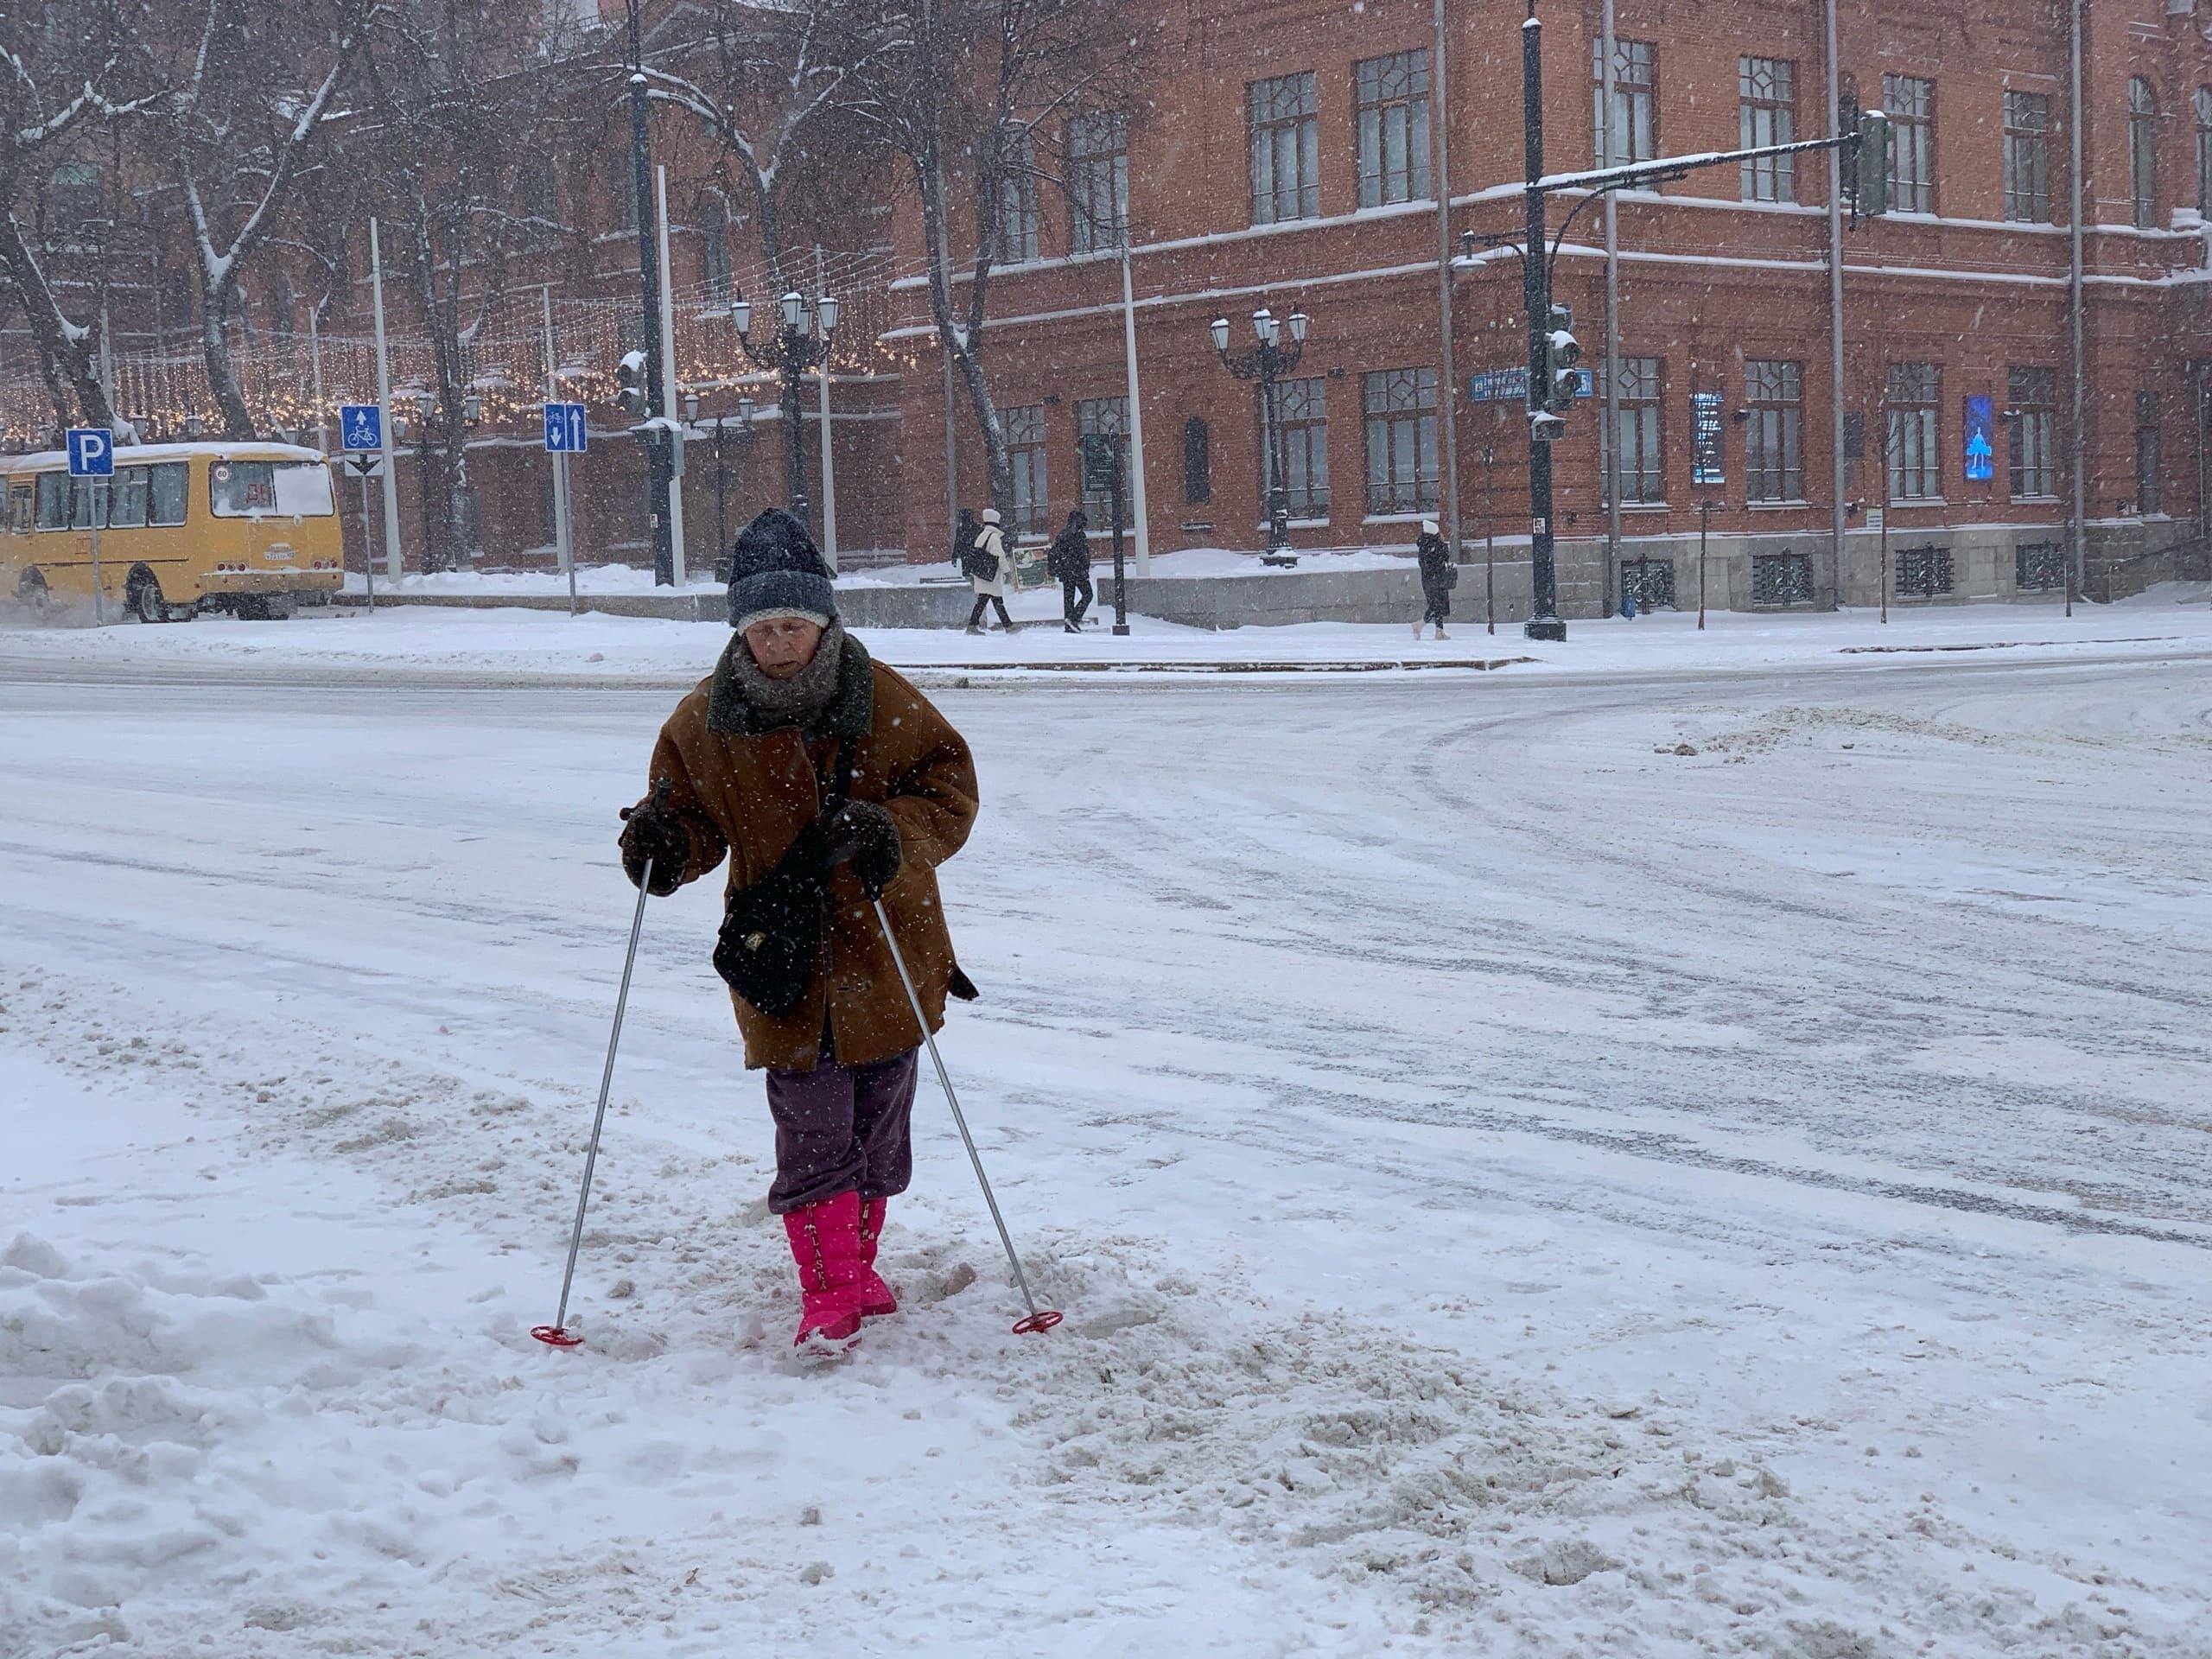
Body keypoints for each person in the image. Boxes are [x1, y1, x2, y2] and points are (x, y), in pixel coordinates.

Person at [617, 507, 979, 1357]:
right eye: (763, 627)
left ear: (823, 624)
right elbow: (692, 821)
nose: (779, 642)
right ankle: (830, 1294)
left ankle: (857, 1266)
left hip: (888, 945)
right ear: (741, 631)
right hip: (779, 959)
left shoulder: (882, 698)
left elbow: (948, 795)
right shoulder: (703, 721)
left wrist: (889, 830)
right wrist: (663, 846)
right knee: (812, 1127)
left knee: (879, 1128)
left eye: (794, 626)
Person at [963, 506, 1017, 634]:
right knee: (995, 601)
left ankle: (1006, 626)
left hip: (982, 574)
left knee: (985, 600)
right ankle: (1008, 627)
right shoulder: (994, 537)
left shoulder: (981, 535)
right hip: (990, 575)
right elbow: (1000, 556)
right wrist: (1007, 572)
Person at [1046, 508, 1093, 633]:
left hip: (1068, 571)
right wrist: (1082, 567)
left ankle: (1069, 623)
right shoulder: (1075, 535)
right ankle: (1073, 619)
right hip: (1076, 571)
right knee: (1088, 594)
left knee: (1069, 598)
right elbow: (1082, 554)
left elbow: (1053, 553)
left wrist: (1053, 568)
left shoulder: (1065, 534)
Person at [1413, 518, 1455, 641]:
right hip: (1435, 579)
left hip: (1429, 579)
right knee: (1436, 605)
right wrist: (1443, 545)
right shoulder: (1434, 546)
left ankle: (1439, 631)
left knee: (1438, 605)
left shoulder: (1424, 546)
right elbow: (1443, 559)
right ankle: (1419, 625)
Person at [951, 507, 982, 576]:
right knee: (977, 576)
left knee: (968, 576)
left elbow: (957, 544)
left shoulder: (961, 529)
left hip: (965, 556)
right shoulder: (977, 528)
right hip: (976, 555)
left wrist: (954, 557)